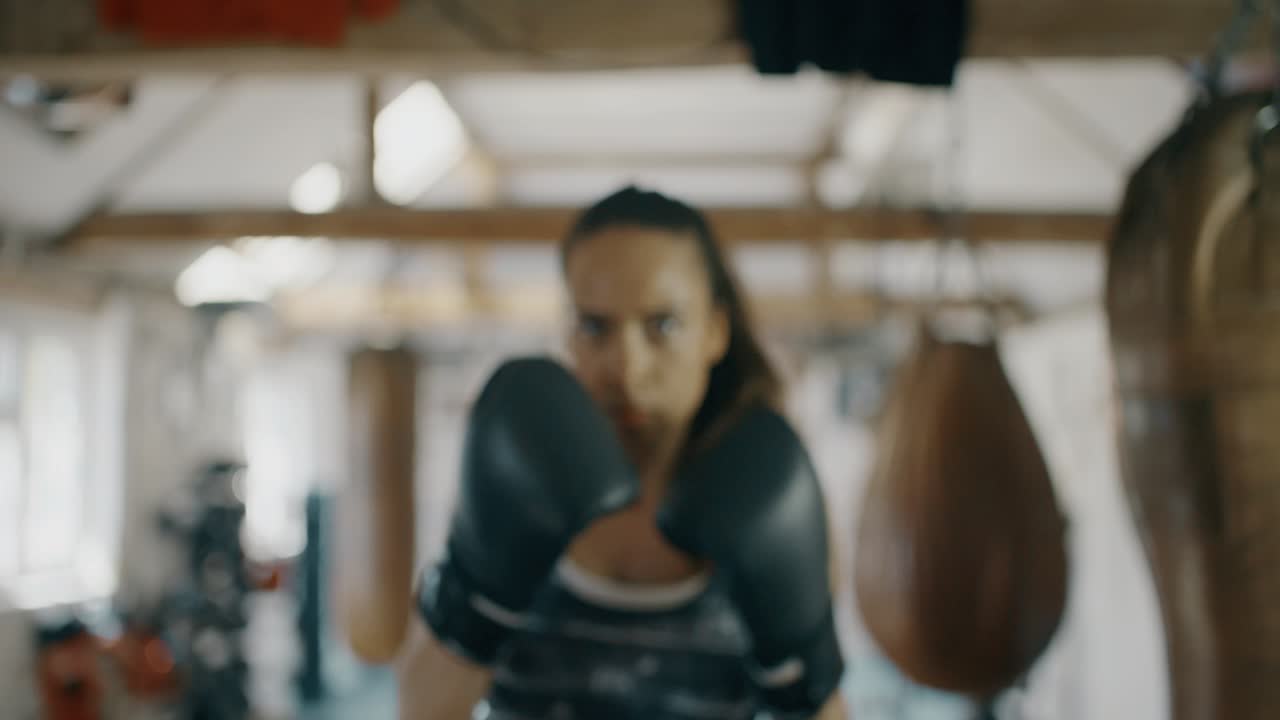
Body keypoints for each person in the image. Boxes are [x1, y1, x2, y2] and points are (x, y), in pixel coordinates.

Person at [397, 186, 848, 719]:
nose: (626, 368)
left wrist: (798, 671)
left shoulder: (772, 497)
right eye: (595, 327)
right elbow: (420, 711)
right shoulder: (518, 476)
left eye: (663, 325)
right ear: (568, 332)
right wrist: (479, 597)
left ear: (715, 332)